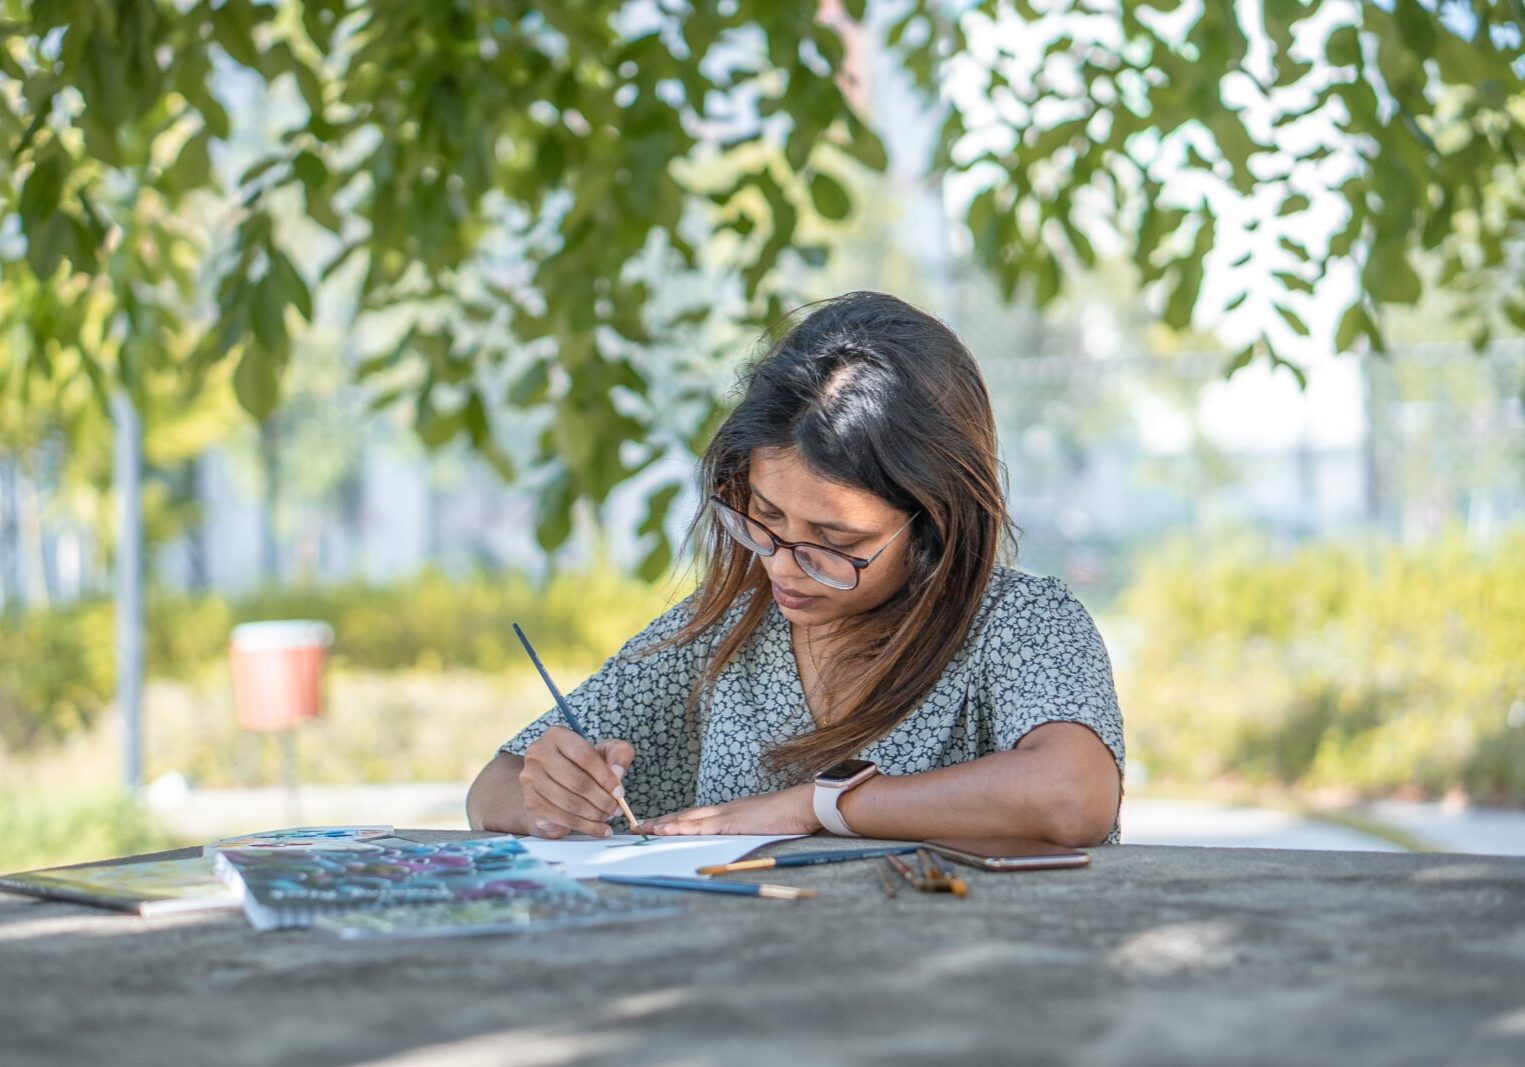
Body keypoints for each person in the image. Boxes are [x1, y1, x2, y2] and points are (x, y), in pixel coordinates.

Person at [467, 291, 1124, 845]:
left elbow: (1070, 795)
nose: (783, 565)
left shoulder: (1019, 624)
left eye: (832, 540)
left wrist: (817, 806)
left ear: (934, 525)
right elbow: (490, 790)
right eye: (764, 518)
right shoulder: (722, 636)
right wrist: (549, 798)